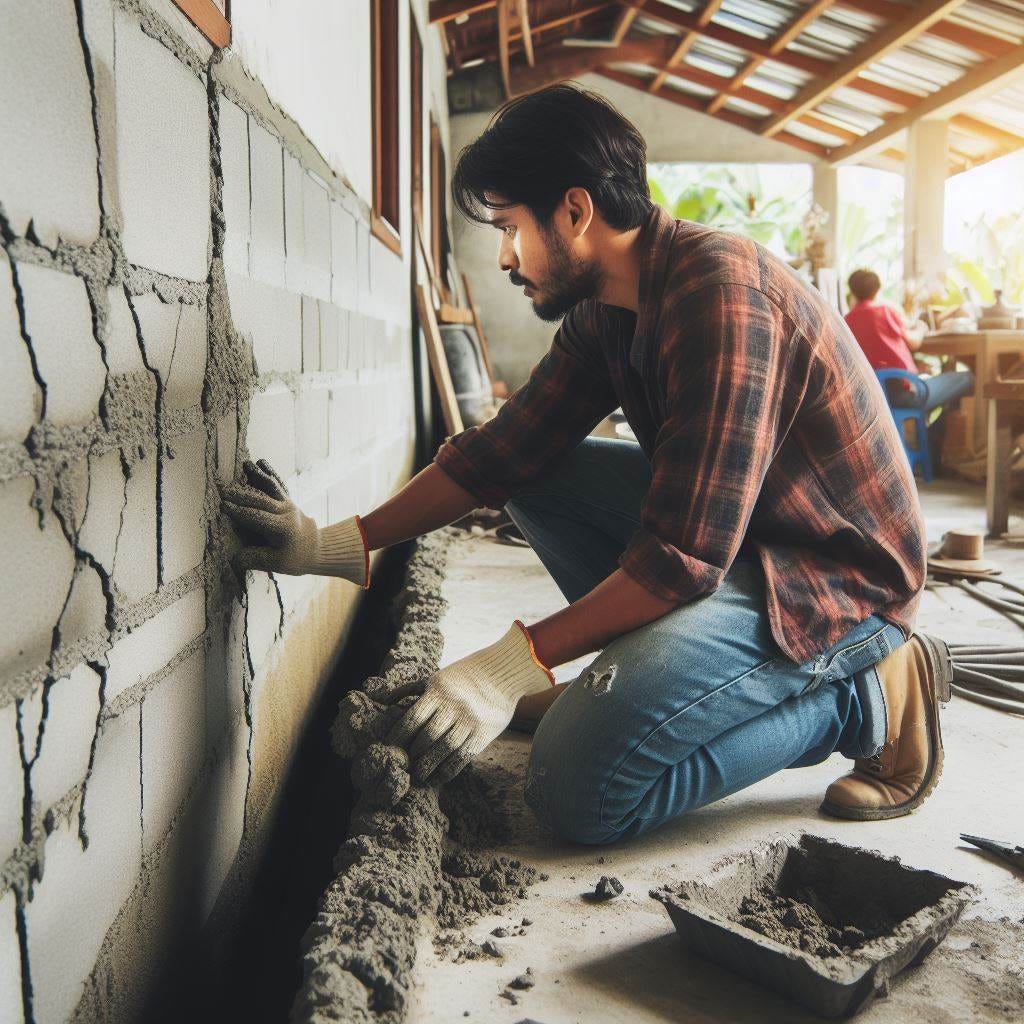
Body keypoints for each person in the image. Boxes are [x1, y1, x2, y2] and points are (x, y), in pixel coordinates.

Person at [222, 85, 950, 846]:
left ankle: (866, 700)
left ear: (574, 212)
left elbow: (682, 558)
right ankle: (637, 685)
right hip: (744, 545)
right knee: (537, 472)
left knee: (578, 791)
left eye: (509, 227)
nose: (503, 256)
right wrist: (339, 543)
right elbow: (503, 453)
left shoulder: (723, 295)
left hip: (833, 579)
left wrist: (509, 665)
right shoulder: (607, 308)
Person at [844, 268, 973, 438]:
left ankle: (933, 446)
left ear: (852, 291)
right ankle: (940, 448)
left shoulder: (847, 320)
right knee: (967, 379)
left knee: (937, 388)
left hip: (872, 398)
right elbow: (913, 342)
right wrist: (921, 326)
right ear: (877, 289)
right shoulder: (883, 310)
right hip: (904, 396)